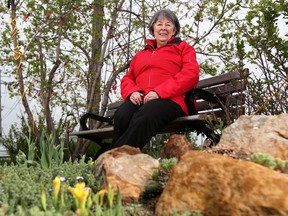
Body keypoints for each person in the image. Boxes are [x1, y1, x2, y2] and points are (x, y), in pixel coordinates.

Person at [110, 8, 200, 150]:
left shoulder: (184, 48)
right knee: (122, 114)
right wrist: (132, 92)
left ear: (174, 30)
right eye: (159, 24)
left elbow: (191, 74)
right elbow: (128, 77)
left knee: (147, 114)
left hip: (172, 100)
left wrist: (159, 92)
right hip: (142, 99)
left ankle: (114, 158)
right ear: (153, 29)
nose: (163, 28)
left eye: (168, 24)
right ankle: (120, 158)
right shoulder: (141, 54)